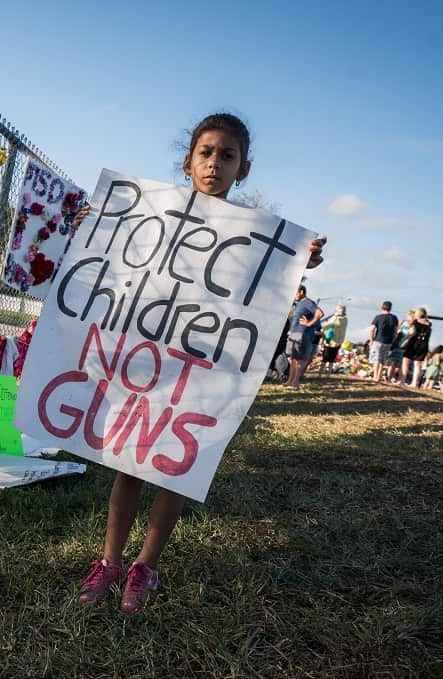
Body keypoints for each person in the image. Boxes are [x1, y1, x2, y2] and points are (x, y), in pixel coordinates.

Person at [73, 113, 327, 613]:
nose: (214, 164)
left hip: (202, 370)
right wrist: (97, 228)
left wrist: (302, 259)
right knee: (129, 465)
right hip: (148, 364)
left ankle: (145, 566)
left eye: (226, 156)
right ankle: (109, 561)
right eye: (206, 153)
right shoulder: (152, 214)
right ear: (188, 159)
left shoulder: (256, 236)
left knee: (173, 470)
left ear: (243, 168)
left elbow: (271, 282)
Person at [284, 286, 323, 389]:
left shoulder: (308, 302)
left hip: (302, 333)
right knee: (291, 358)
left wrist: (309, 323)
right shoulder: (299, 303)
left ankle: (295, 382)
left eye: (295, 292)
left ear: (301, 292)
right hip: (295, 333)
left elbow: (320, 313)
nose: (293, 295)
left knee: (299, 359)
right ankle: (290, 381)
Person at [399, 307, 433, 386]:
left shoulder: (416, 322)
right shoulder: (429, 324)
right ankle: (414, 383)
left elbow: (412, 332)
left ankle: (402, 380)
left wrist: (407, 336)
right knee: (417, 364)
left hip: (413, 343)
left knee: (405, 361)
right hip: (423, 345)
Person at [368, 301, 398, 382]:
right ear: (390, 308)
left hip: (378, 340)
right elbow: (395, 331)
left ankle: (375, 376)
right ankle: (379, 376)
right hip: (388, 341)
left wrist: (371, 340)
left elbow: (372, 329)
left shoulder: (378, 317)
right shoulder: (394, 318)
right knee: (383, 360)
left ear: (382, 307)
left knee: (376, 359)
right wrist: (393, 340)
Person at [388, 310, 415, 382]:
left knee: (400, 364)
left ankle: (395, 378)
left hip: (405, 346)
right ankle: (389, 378)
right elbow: (396, 330)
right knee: (393, 362)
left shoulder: (413, 325)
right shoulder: (404, 322)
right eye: (408, 316)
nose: (408, 318)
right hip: (398, 344)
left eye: (409, 317)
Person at [320, 305, 348, 373]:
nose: (341, 311)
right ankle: (320, 372)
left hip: (337, 341)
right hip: (330, 341)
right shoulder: (335, 318)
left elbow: (328, 326)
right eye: (340, 310)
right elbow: (326, 326)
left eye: (342, 310)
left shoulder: (344, 319)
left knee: (331, 359)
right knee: (325, 358)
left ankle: (328, 373)